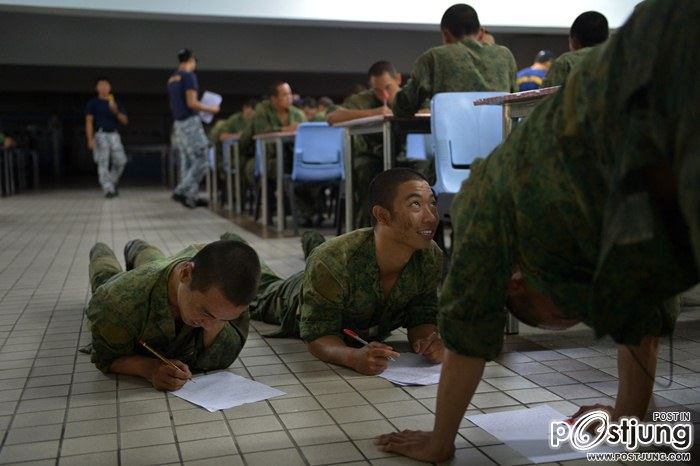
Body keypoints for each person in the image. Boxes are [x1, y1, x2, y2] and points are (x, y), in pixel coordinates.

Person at [375, 0, 699, 461]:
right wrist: (632, 421)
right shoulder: (619, 226)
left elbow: (468, 325)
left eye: (564, 310)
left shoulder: (490, 195)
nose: (584, 310)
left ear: (517, 278)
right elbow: (642, 303)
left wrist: (440, 440)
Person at [247, 168, 445, 375]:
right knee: (260, 285)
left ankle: (312, 240)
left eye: (432, 203)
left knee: (322, 257)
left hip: (330, 275)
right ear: (383, 216)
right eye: (415, 205)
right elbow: (319, 335)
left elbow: (421, 317)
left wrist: (429, 343)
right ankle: (235, 242)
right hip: (294, 295)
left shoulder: (430, 257)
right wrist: (352, 357)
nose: (431, 217)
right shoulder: (333, 261)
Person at [85, 234, 260, 391]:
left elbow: (225, 354)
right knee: (105, 274)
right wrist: (150, 368)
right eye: (206, 313)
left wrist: (216, 320)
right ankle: (100, 249)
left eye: (223, 320)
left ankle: (137, 247)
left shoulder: (229, 299)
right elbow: (106, 358)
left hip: (172, 270)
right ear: (185, 273)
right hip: (134, 284)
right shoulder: (117, 302)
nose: (211, 326)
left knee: (154, 260)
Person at [392, 3, 517, 117]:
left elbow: (403, 106)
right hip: (499, 138)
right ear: (481, 32)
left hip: (450, 140)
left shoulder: (434, 58)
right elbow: (516, 103)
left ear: (446, 34)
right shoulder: (505, 56)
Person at [327, 60, 401, 227]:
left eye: (388, 88)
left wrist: (403, 111)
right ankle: (368, 236)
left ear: (398, 79)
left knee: (424, 172)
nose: (384, 95)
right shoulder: (365, 99)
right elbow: (332, 116)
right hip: (371, 157)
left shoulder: (409, 97)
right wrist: (374, 112)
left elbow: (434, 109)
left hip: (404, 157)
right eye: (377, 90)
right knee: (368, 172)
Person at [240, 81, 317, 225]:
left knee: (308, 168)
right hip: (268, 157)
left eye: (290, 94)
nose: (289, 97)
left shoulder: (297, 113)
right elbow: (261, 132)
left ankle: (309, 212)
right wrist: (284, 129)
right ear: (274, 99)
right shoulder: (262, 111)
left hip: (293, 157)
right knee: (275, 168)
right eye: (285, 95)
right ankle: (289, 212)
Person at [167, 48, 220, 209]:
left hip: (178, 124)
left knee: (188, 160)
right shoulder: (189, 76)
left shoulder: (172, 78)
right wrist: (212, 109)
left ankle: (190, 197)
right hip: (190, 122)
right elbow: (192, 103)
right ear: (191, 60)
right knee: (203, 158)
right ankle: (181, 191)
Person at [85, 77, 128, 198]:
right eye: (101, 85)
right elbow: (89, 122)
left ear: (110, 88)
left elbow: (125, 121)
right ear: (97, 88)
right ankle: (107, 188)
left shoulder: (116, 103)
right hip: (100, 134)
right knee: (103, 162)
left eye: (106, 85)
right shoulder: (92, 103)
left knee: (121, 160)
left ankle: (112, 183)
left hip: (114, 134)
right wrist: (90, 139)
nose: (104, 87)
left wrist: (115, 111)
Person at [543, 11, 609, 87]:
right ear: (607, 39)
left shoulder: (565, 62)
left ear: (574, 41)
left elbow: (546, 97)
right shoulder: (618, 59)